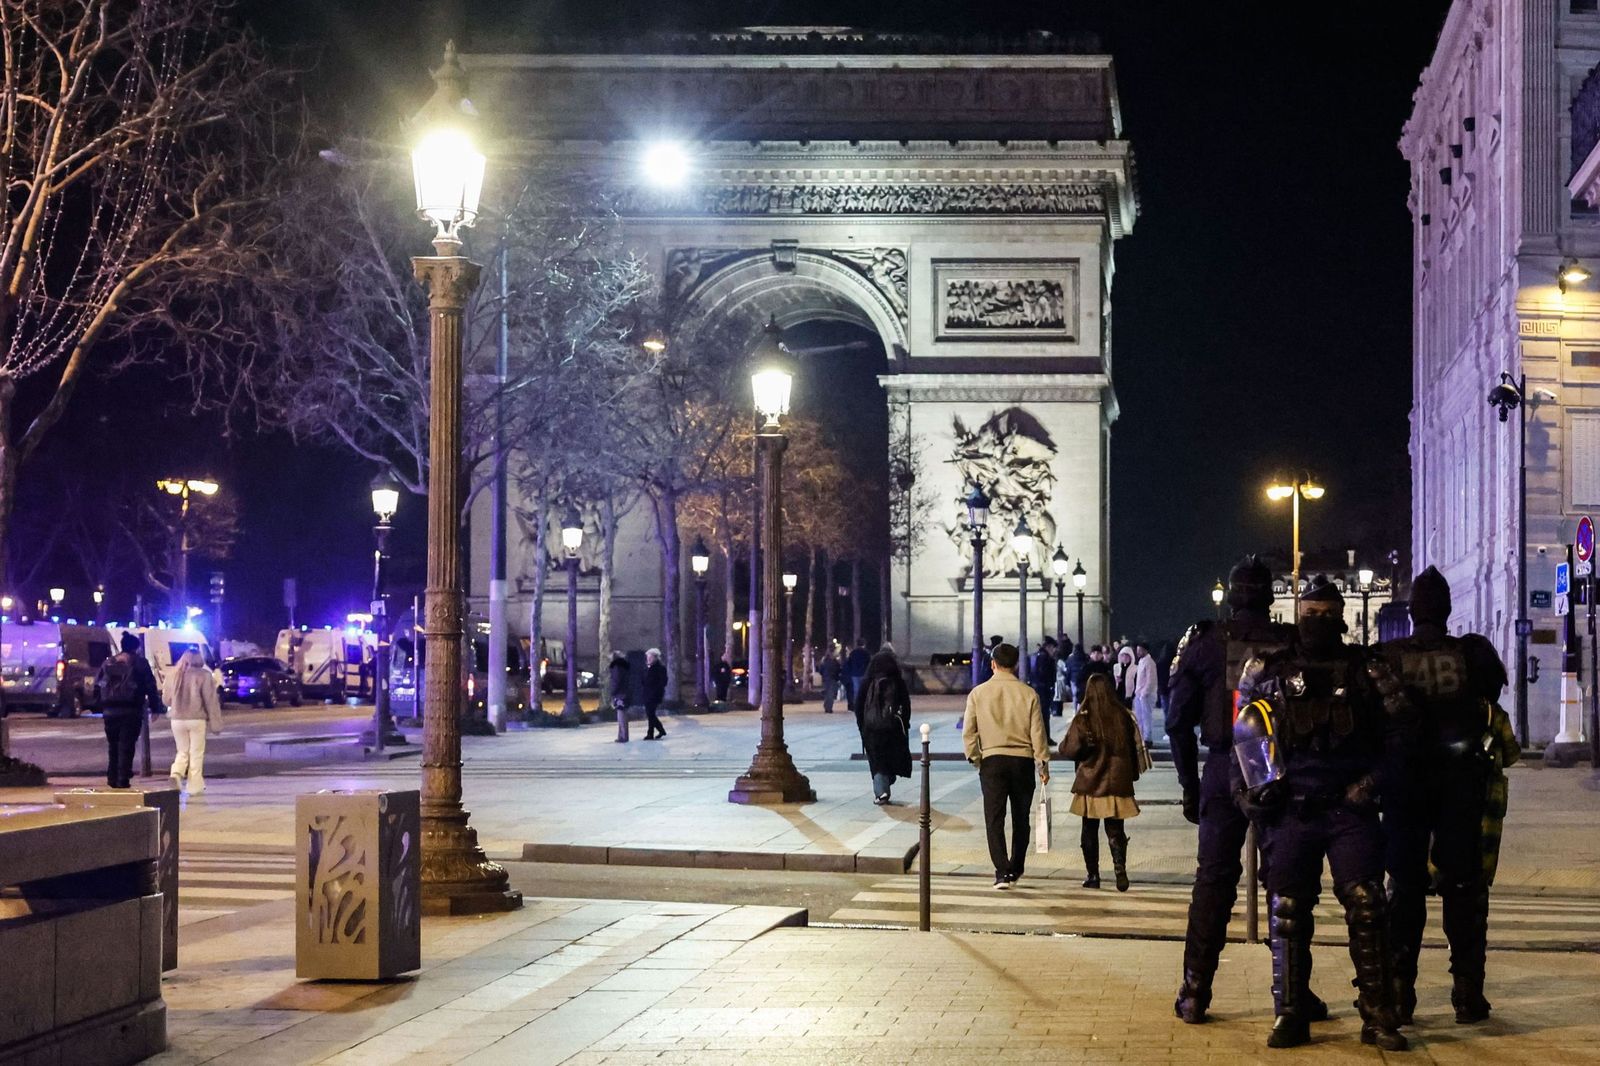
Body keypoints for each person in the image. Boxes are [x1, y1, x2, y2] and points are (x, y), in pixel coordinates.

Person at [1234, 577, 1413, 1051]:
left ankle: (1377, 1016)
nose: (1317, 621)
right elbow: (1244, 735)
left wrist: (1371, 785)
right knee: (1288, 911)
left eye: (1326, 613)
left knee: (1368, 905)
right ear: (1297, 612)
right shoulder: (1267, 668)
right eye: (1310, 612)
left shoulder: (1369, 670)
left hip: (1348, 806)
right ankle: (1290, 1014)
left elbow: (1401, 737)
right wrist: (1249, 792)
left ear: (1340, 617)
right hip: (1292, 807)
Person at [1167, 556, 1310, 1025]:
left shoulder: (1206, 641)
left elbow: (1177, 721)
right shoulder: (1289, 642)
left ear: (1231, 596)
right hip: (1274, 765)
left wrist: (1190, 784)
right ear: (1269, 597)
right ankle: (1293, 994)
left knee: (1212, 881)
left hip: (1223, 760)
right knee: (1287, 884)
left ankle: (1194, 992)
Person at [1375, 566, 1508, 1025]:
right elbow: (1492, 695)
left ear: (1412, 612)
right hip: (1459, 783)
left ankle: (1399, 993)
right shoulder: (1471, 654)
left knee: (1405, 888)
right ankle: (1468, 994)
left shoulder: (1387, 657)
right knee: (1464, 887)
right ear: (1447, 610)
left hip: (1405, 784)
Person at [962, 642, 1050, 889]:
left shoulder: (978, 694)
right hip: (1022, 761)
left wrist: (975, 757)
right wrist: (1042, 764)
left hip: (992, 760)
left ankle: (1001, 871)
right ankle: (1016, 866)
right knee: (1021, 818)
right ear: (1015, 666)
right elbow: (1038, 733)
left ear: (993, 664)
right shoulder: (1029, 694)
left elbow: (969, 732)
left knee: (994, 818)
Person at [1060, 673, 1147, 891]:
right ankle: (1120, 871)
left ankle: (1093, 875)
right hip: (1117, 781)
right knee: (1115, 829)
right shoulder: (1123, 716)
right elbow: (1132, 750)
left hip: (1091, 782)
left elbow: (1068, 749)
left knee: (1089, 830)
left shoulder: (1084, 718)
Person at [96, 632, 163, 789]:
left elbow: (98, 685)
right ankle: (122, 778)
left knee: (113, 745)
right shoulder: (140, 663)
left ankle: (112, 777)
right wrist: (155, 707)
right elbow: (150, 686)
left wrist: (101, 705)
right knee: (127, 745)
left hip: (110, 711)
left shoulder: (108, 663)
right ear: (136, 648)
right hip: (131, 710)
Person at [854, 643, 912, 804]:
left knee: (877, 761)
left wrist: (862, 726)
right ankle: (886, 781)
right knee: (889, 758)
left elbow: (858, 705)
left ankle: (882, 792)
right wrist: (904, 724)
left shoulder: (867, 681)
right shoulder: (898, 681)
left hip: (872, 728)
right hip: (892, 727)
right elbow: (906, 705)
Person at [164, 647, 222, 795]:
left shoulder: (174, 675)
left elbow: (166, 699)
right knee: (196, 752)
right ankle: (194, 786)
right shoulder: (204, 675)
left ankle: (176, 773)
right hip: (196, 719)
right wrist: (216, 724)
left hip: (177, 719)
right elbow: (210, 701)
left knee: (182, 751)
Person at [1030, 637, 1058, 744]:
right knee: (1044, 715)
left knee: (1042, 715)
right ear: (1049, 647)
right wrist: (1049, 687)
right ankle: (1045, 738)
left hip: (1040, 689)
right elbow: (1044, 674)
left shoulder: (1038, 656)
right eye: (1053, 648)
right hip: (1043, 690)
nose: (1054, 650)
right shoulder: (1044, 658)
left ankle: (1044, 737)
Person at [1131, 642, 1158, 744]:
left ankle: (1147, 738)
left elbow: (1151, 679)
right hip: (1139, 694)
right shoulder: (1142, 661)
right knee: (1140, 717)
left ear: (1146, 650)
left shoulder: (1150, 662)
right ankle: (1141, 736)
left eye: (1140, 650)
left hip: (1146, 695)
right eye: (1137, 650)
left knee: (1146, 717)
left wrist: (1144, 693)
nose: (1138, 652)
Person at [642, 648, 668, 740]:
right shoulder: (648, 667)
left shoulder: (660, 668)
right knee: (650, 714)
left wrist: (655, 690)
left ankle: (651, 733)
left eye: (650, 657)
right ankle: (660, 730)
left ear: (655, 657)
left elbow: (663, 682)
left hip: (654, 695)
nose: (648, 659)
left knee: (650, 713)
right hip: (648, 694)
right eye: (647, 657)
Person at [608, 651, 631, 743]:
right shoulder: (624, 666)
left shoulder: (616, 667)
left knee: (621, 715)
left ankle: (623, 736)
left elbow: (616, 681)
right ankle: (622, 735)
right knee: (623, 714)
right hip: (625, 692)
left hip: (620, 694)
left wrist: (612, 693)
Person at [844, 640, 872, 704]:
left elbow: (848, 663)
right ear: (864, 644)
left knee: (856, 689)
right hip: (864, 673)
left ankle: (857, 703)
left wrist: (850, 672)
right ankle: (863, 702)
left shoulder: (853, 653)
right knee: (864, 689)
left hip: (855, 674)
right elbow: (869, 663)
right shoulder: (866, 653)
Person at [819, 646, 842, 714]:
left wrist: (823, 675)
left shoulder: (824, 660)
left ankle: (827, 707)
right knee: (831, 693)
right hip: (832, 678)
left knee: (828, 693)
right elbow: (838, 669)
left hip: (826, 678)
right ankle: (829, 708)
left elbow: (821, 670)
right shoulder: (834, 661)